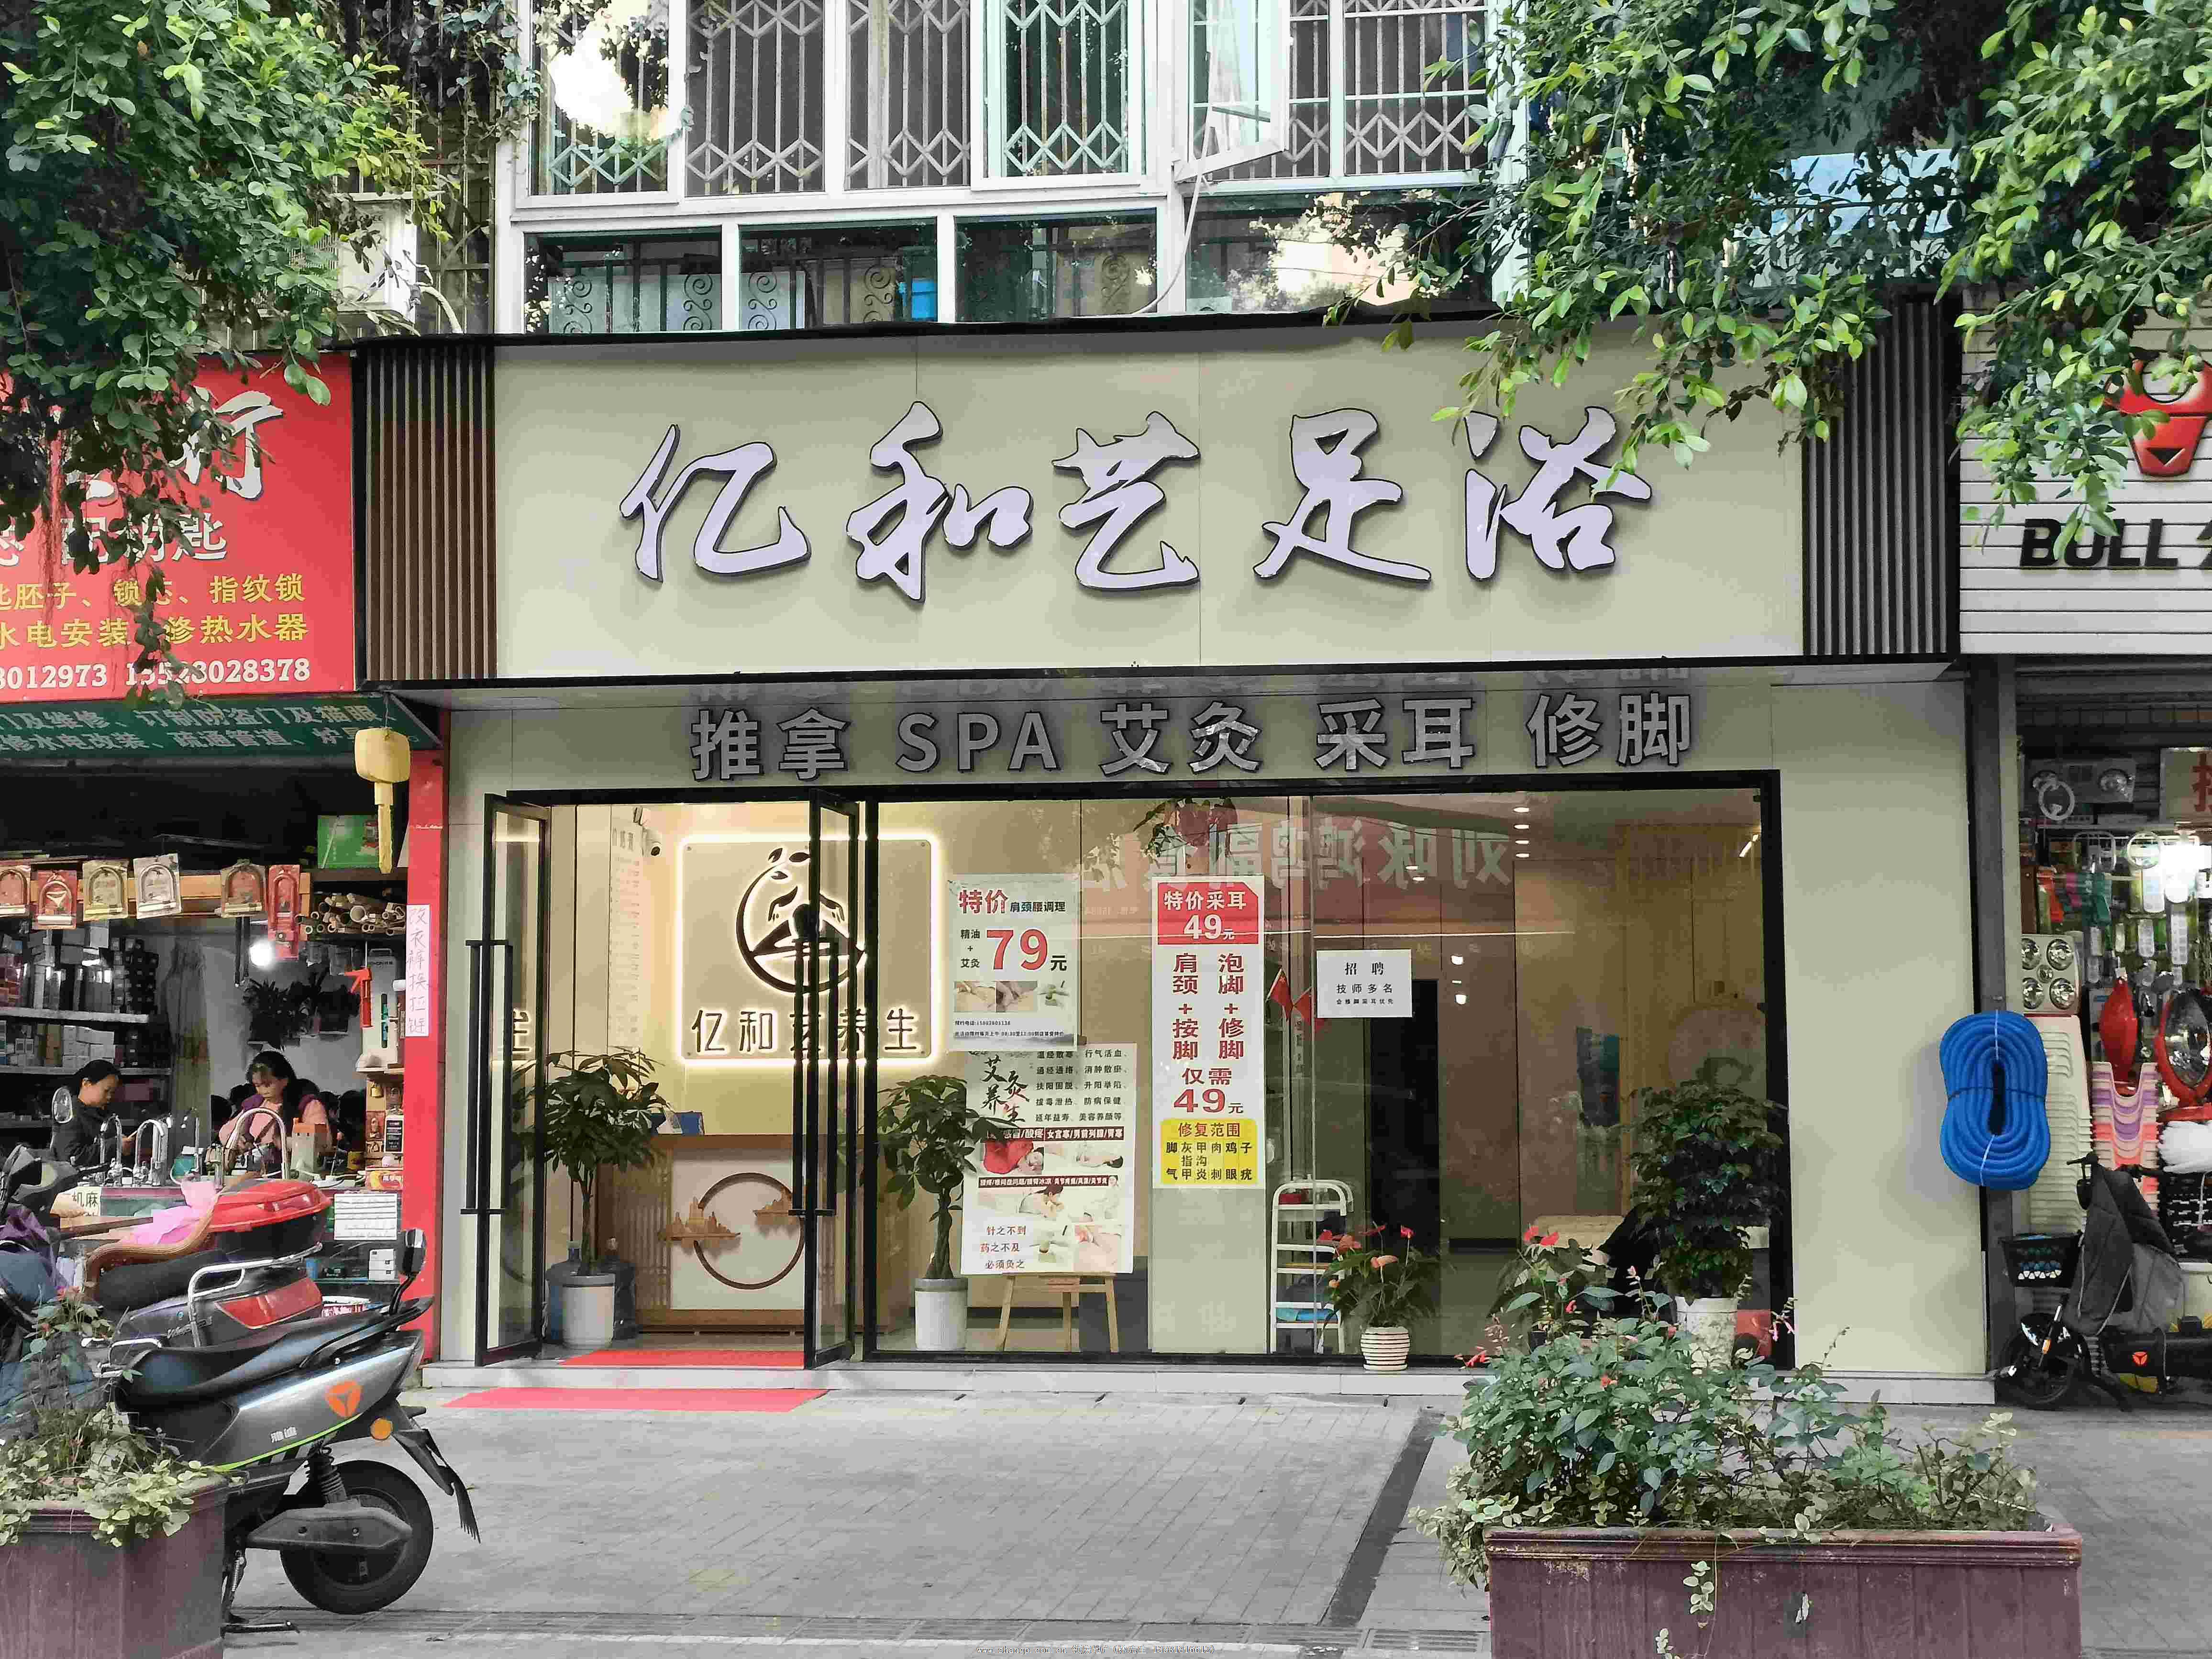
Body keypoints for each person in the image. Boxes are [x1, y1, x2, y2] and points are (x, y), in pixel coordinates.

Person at [217, 1052, 329, 1168]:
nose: (263, 1091)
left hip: (295, 1171)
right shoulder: (255, 1104)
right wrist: (239, 1141)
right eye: (257, 1086)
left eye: (267, 1085)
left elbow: (323, 1143)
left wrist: (285, 1143)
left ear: (284, 1080)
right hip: (258, 1171)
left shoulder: (307, 1104)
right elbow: (225, 1133)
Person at [48, 1061, 122, 1172]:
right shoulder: (70, 1114)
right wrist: (115, 1145)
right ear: (86, 1084)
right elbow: (71, 1158)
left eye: (112, 1092)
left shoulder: (102, 1113)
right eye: (106, 1091)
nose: (109, 1097)